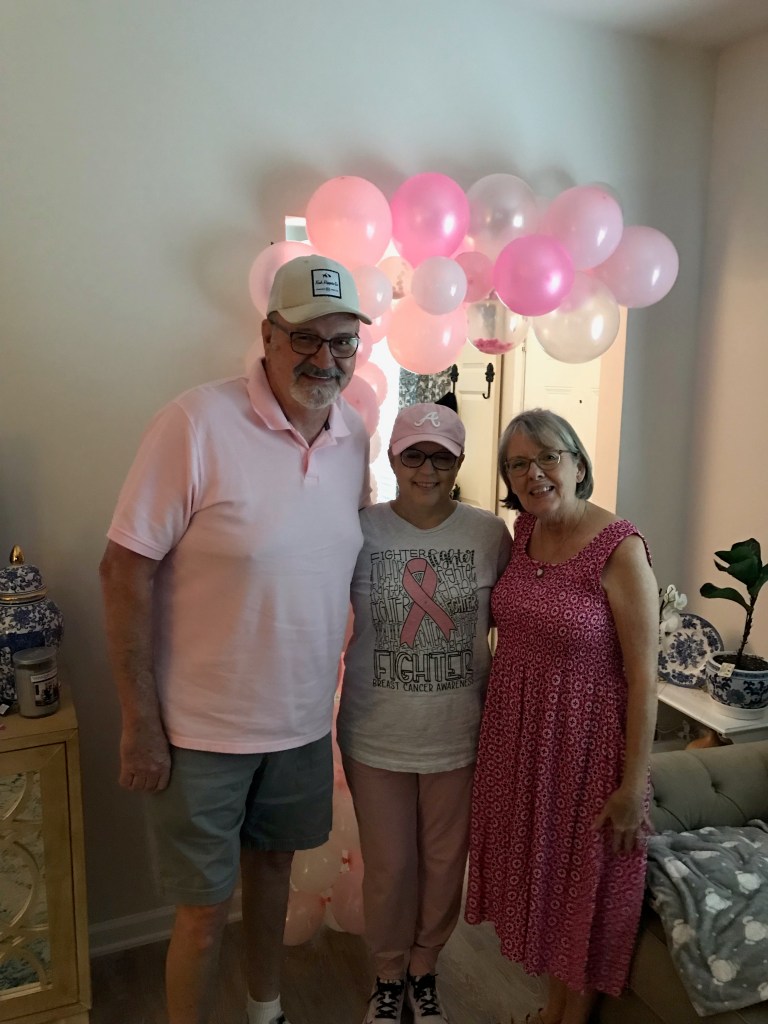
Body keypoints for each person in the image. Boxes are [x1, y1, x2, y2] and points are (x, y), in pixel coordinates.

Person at [99, 254, 372, 1024]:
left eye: (342, 341)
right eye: (305, 338)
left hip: (301, 725)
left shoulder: (355, 436)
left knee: (274, 878)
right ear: (268, 335)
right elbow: (122, 571)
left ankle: (265, 1012)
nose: (324, 359)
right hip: (200, 733)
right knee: (203, 911)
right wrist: (140, 723)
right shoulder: (195, 423)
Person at [465, 409, 658, 1024]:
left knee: (584, 890)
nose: (534, 473)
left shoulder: (620, 548)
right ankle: (552, 1010)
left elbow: (644, 678)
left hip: (588, 747)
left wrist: (632, 785)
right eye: (518, 464)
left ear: (577, 462)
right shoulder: (523, 531)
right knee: (546, 884)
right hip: (519, 740)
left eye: (548, 457)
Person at [337, 402, 512, 1024]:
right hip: (375, 732)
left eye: (442, 457)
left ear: (460, 463)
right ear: (392, 458)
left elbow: (516, 624)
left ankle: (424, 970)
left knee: (443, 865)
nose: (428, 469)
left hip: (459, 733)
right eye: (414, 454)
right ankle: (388, 975)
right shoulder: (360, 530)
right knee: (390, 867)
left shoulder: (489, 535)